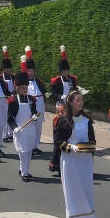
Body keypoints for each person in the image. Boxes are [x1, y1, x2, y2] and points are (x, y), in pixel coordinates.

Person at [54, 90, 97, 218]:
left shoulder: (87, 119)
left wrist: (91, 147)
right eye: (78, 100)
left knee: (85, 188)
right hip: (70, 159)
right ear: (71, 102)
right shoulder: (63, 120)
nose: (81, 103)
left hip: (84, 159)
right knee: (73, 190)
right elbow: (58, 141)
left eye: (82, 100)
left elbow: (92, 139)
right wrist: (70, 147)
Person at [49, 45, 77, 175]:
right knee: (62, 133)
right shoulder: (56, 81)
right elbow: (54, 94)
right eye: (64, 71)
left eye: (67, 71)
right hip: (61, 106)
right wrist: (62, 97)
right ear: (61, 71)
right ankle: (56, 163)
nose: (66, 73)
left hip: (71, 106)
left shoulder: (72, 79)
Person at [7, 71, 39, 182]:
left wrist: (35, 116)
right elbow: (10, 117)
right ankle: (25, 173)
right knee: (23, 151)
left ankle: (23, 169)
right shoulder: (14, 101)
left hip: (30, 128)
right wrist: (14, 128)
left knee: (29, 150)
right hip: (20, 129)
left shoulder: (31, 100)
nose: (26, 90)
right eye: (23, 88)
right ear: (18, 89)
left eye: (26, 88)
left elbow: (34, 112)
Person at [21, 47, 46, 156]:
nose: (31, 72)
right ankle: (30, 146)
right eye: (29, 70)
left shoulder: (38, 81)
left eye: (32, 70)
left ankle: (35, 146)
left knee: (38, 127)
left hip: (40, 107)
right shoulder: (23, 82)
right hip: (30, 107)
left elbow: (43, 91)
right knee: (31, 128)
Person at [0, 46, 16, 143]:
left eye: (9, 69)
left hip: (12, 97)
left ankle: (10, 133)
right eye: (6, 69)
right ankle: (4, 134)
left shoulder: (13, 77)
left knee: (11, 114)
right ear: (3, 69)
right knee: (4, 115)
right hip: (4, 98)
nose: (8, 70)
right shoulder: (0, 78)